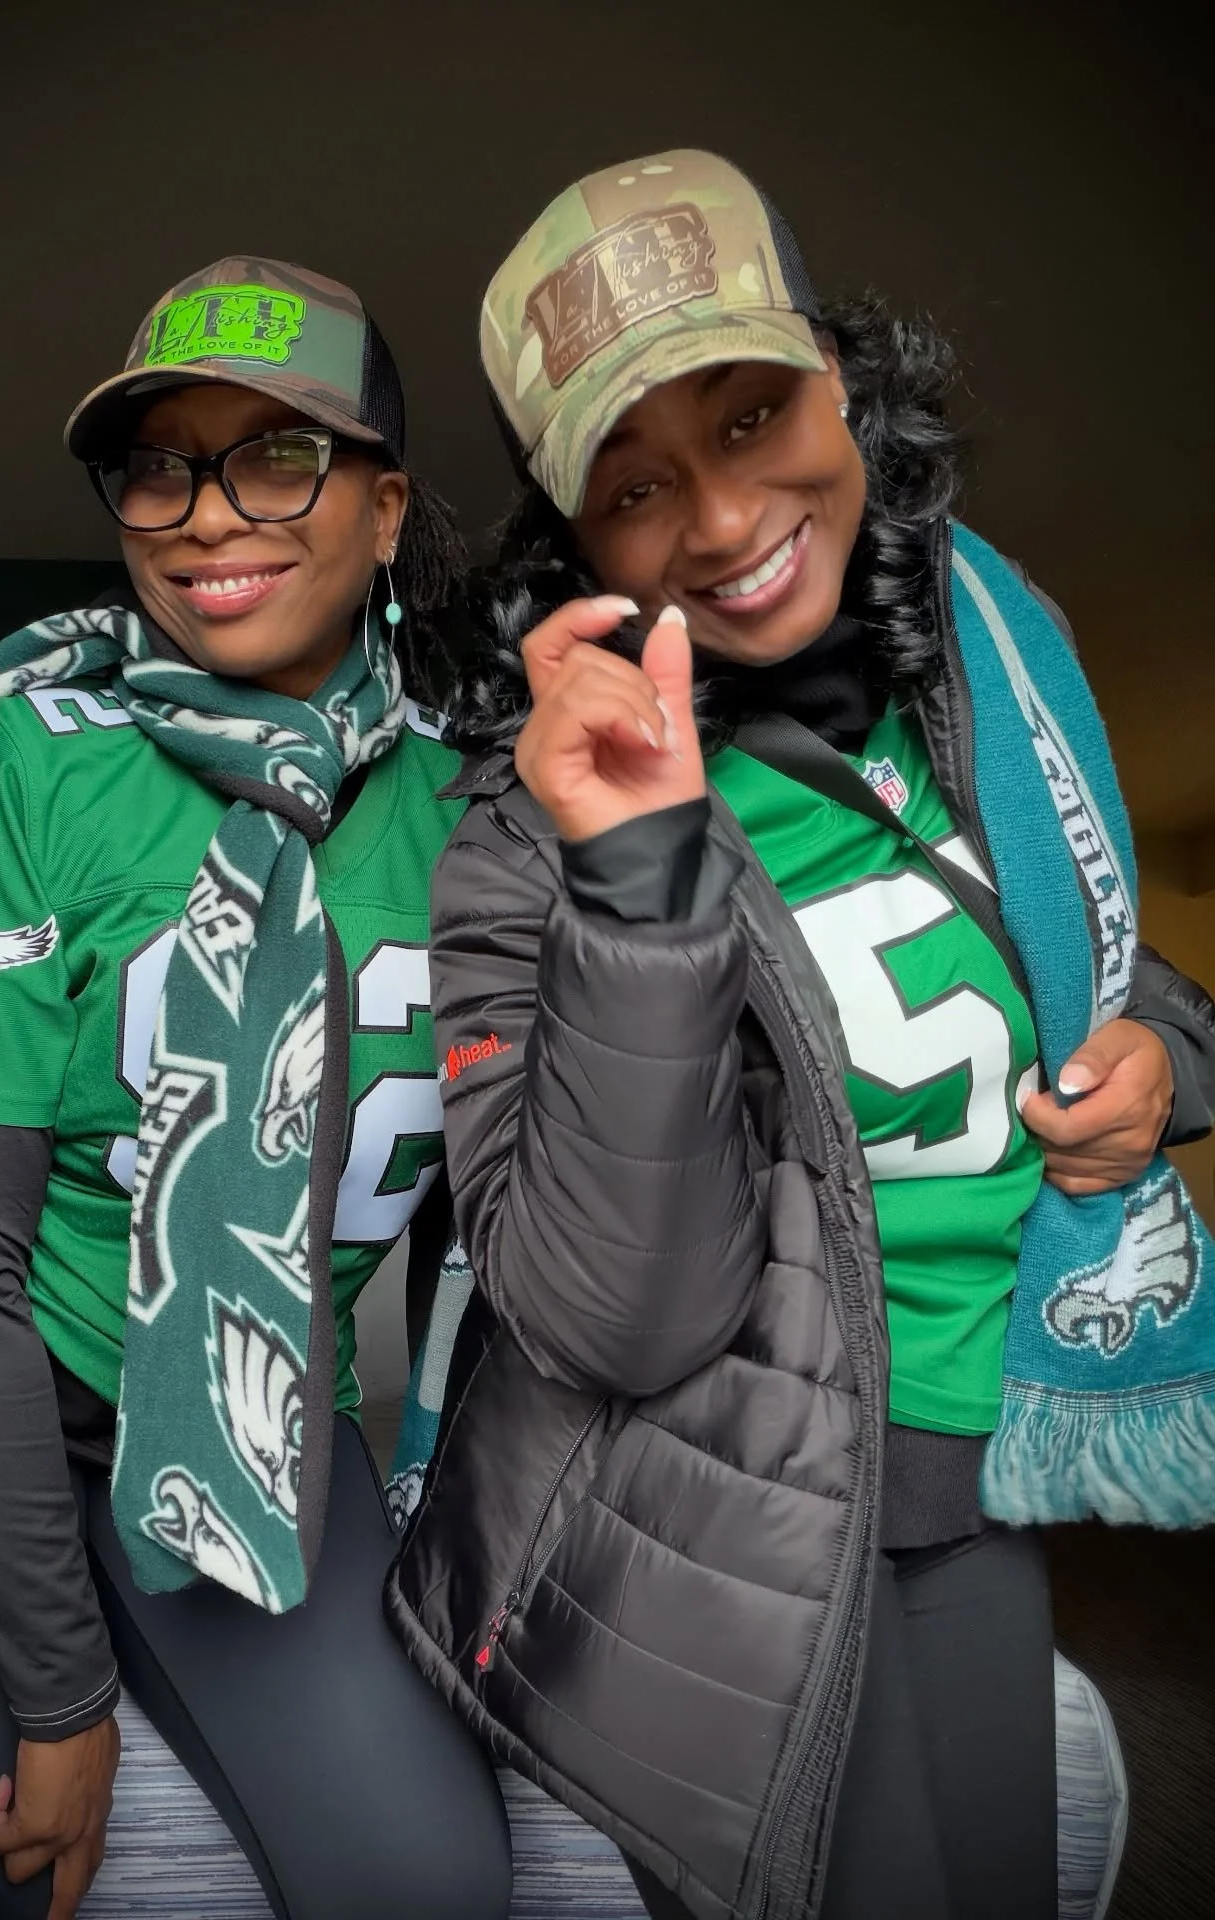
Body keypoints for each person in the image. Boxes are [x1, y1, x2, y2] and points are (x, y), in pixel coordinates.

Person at [385, 153, 1215, 1920]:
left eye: (756, 411)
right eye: (636, 484)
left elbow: (1126, 980)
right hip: (732, 1535)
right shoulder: (523, 840)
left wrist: (1162, 1069)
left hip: (970, 1463)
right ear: (580, 543)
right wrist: (640, 885)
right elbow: (614, 1312)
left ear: (849, 383)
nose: (722, 512)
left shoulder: (996, 665)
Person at [0, 258, 511, 1920]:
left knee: (429, 1873)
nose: (203, 514)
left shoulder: (487, 811)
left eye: (275, 457)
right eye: (160, 464)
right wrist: (60, 1697)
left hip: (247, 1398)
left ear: (387, 509)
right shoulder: (29, 753)